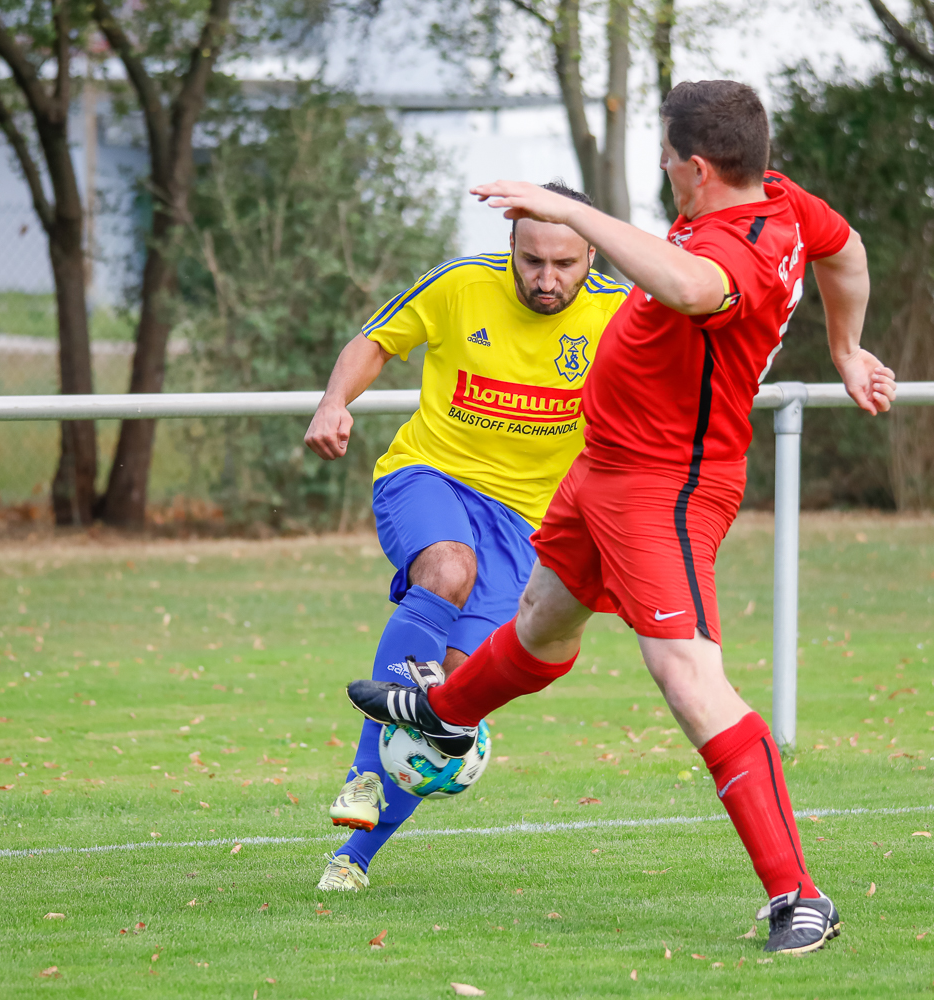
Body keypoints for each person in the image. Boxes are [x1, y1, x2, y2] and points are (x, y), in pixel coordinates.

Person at [346, 80, 896, 954]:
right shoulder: (784, 201)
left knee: (687, 676)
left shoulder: (737, 256)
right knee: (540, 624)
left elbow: (690, 285)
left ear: (700, 168)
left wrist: (576, 213)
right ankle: (448, 714)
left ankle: (801, 896)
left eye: (671, 161)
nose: (667, 173)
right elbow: (850, 251)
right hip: (602, 471)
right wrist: (844, 346)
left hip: (664, 487)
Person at [303, 181, 628, 892]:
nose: (547, 279)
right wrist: (334, 402)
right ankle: (363, 774)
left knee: (450, 703)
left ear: (591, 252)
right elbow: (375, 340)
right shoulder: (459, 284)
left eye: (565, 264)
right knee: (448, 569)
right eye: (532, 261)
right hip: (431, 478)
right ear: (511, 244)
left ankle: (352, 859)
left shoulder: (621, 316)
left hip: (527, 529)